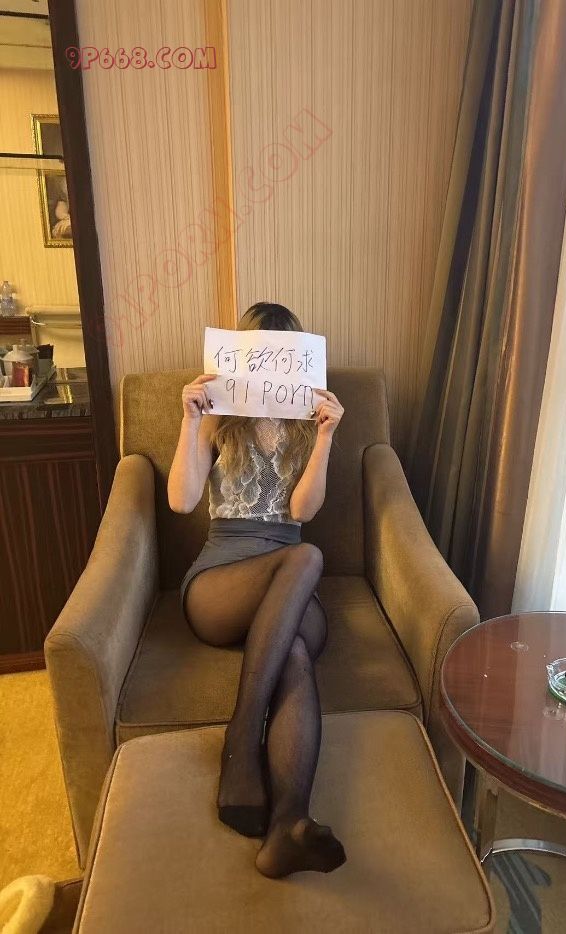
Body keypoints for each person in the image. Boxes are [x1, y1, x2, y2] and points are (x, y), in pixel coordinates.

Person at [167, 302, 345, 879]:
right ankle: (242, 742)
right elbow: (181, 500)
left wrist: (325, 438)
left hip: (291, 582)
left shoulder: (306, 422)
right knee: (308, 558)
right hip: (221, 582)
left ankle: (289, 826)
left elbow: (303, 511)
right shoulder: (219, 416)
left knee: (295, 643)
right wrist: (190, 420)